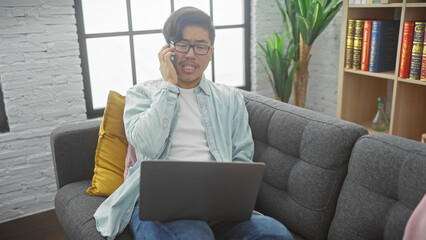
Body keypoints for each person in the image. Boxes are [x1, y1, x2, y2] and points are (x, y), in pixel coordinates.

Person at [94, 7, 294, 240]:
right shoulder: (141, 94)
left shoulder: (230, 99)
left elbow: (242, 158)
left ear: (210, 52)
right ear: (167, 49)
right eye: (182, 45)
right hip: (161, 208)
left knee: (275, 234)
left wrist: (231, 198)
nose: (191, 54)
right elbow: (146, 145)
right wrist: (168, 88)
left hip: (220, 207)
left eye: (200, 46)